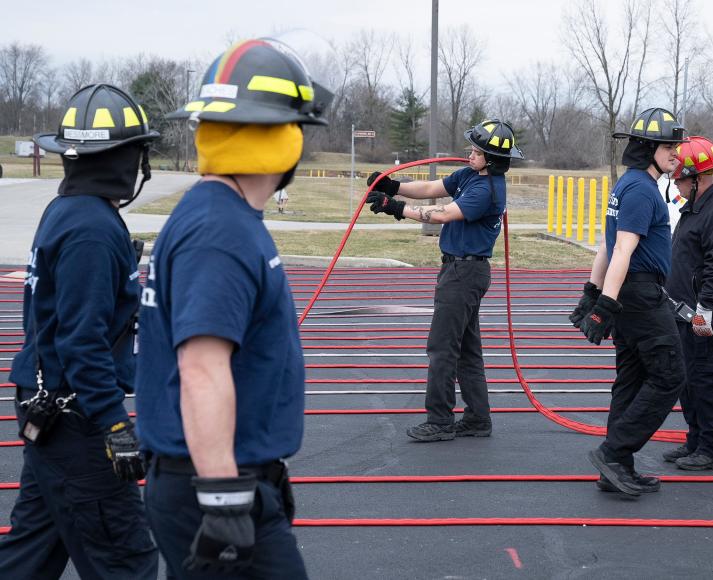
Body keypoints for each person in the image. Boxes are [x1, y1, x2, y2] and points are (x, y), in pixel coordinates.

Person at [135, 38, 333, 578]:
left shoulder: (219, 215)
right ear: (279, 139)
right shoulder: (221, 231)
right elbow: (201, 367)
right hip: (211, 484)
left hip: (215, 477)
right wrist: (224, 498)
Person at [0, 84, 159, 579]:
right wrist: (115, 424)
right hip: (77, 418)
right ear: (125, 157)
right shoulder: (92, 228)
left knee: (33, 551)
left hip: (51, 406)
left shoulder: (68, 211)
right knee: (124, 558)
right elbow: (81, 339)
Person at [365, 119, 523, 442]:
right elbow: (430, 189)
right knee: (467, 349)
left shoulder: (487, 190)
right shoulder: (471, 175)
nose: (470, 154)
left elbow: (441, 214)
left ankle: (439, 420)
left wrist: (394, 208)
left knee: (442, 349)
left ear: (491, 159)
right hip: (460, 270)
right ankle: (478, 418)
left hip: (464, 275)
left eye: (477, 152)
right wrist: (392, 186)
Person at [570, 107, 688, 497]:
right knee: (670, 375)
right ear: (648, 148)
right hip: (639, 295)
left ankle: (617, 467)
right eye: (670, 146)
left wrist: (593, 291)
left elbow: (607, 245)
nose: (677, 153)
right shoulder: (640, 190)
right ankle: (614, 452)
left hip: (628, 293)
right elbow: (622, 249)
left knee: (632, 378)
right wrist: (604, 304)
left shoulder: (629, 185)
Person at [664, 136, 713, 471]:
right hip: (685, 314)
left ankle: (712, 447)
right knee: (689, 380)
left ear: (698, 178)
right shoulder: (695, 208)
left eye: (679, 178)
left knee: (709, 381)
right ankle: (695, 439)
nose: (675, 184)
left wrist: (705, 309)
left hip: (706, 317)